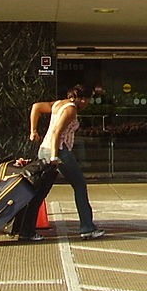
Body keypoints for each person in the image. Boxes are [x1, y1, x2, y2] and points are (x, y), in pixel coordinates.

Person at [28, 84, 105, 239]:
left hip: (44, 148)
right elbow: (57, 132)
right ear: (82, 99)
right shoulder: (70, 110)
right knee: (79, 185)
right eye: (88, 100)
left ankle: (26, 230)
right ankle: (87, 228)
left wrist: (33, 130)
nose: (88, 103)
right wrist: (55, 157)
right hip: (59, 151)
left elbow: (36, 107)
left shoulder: (59, 104)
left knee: (40, 191)